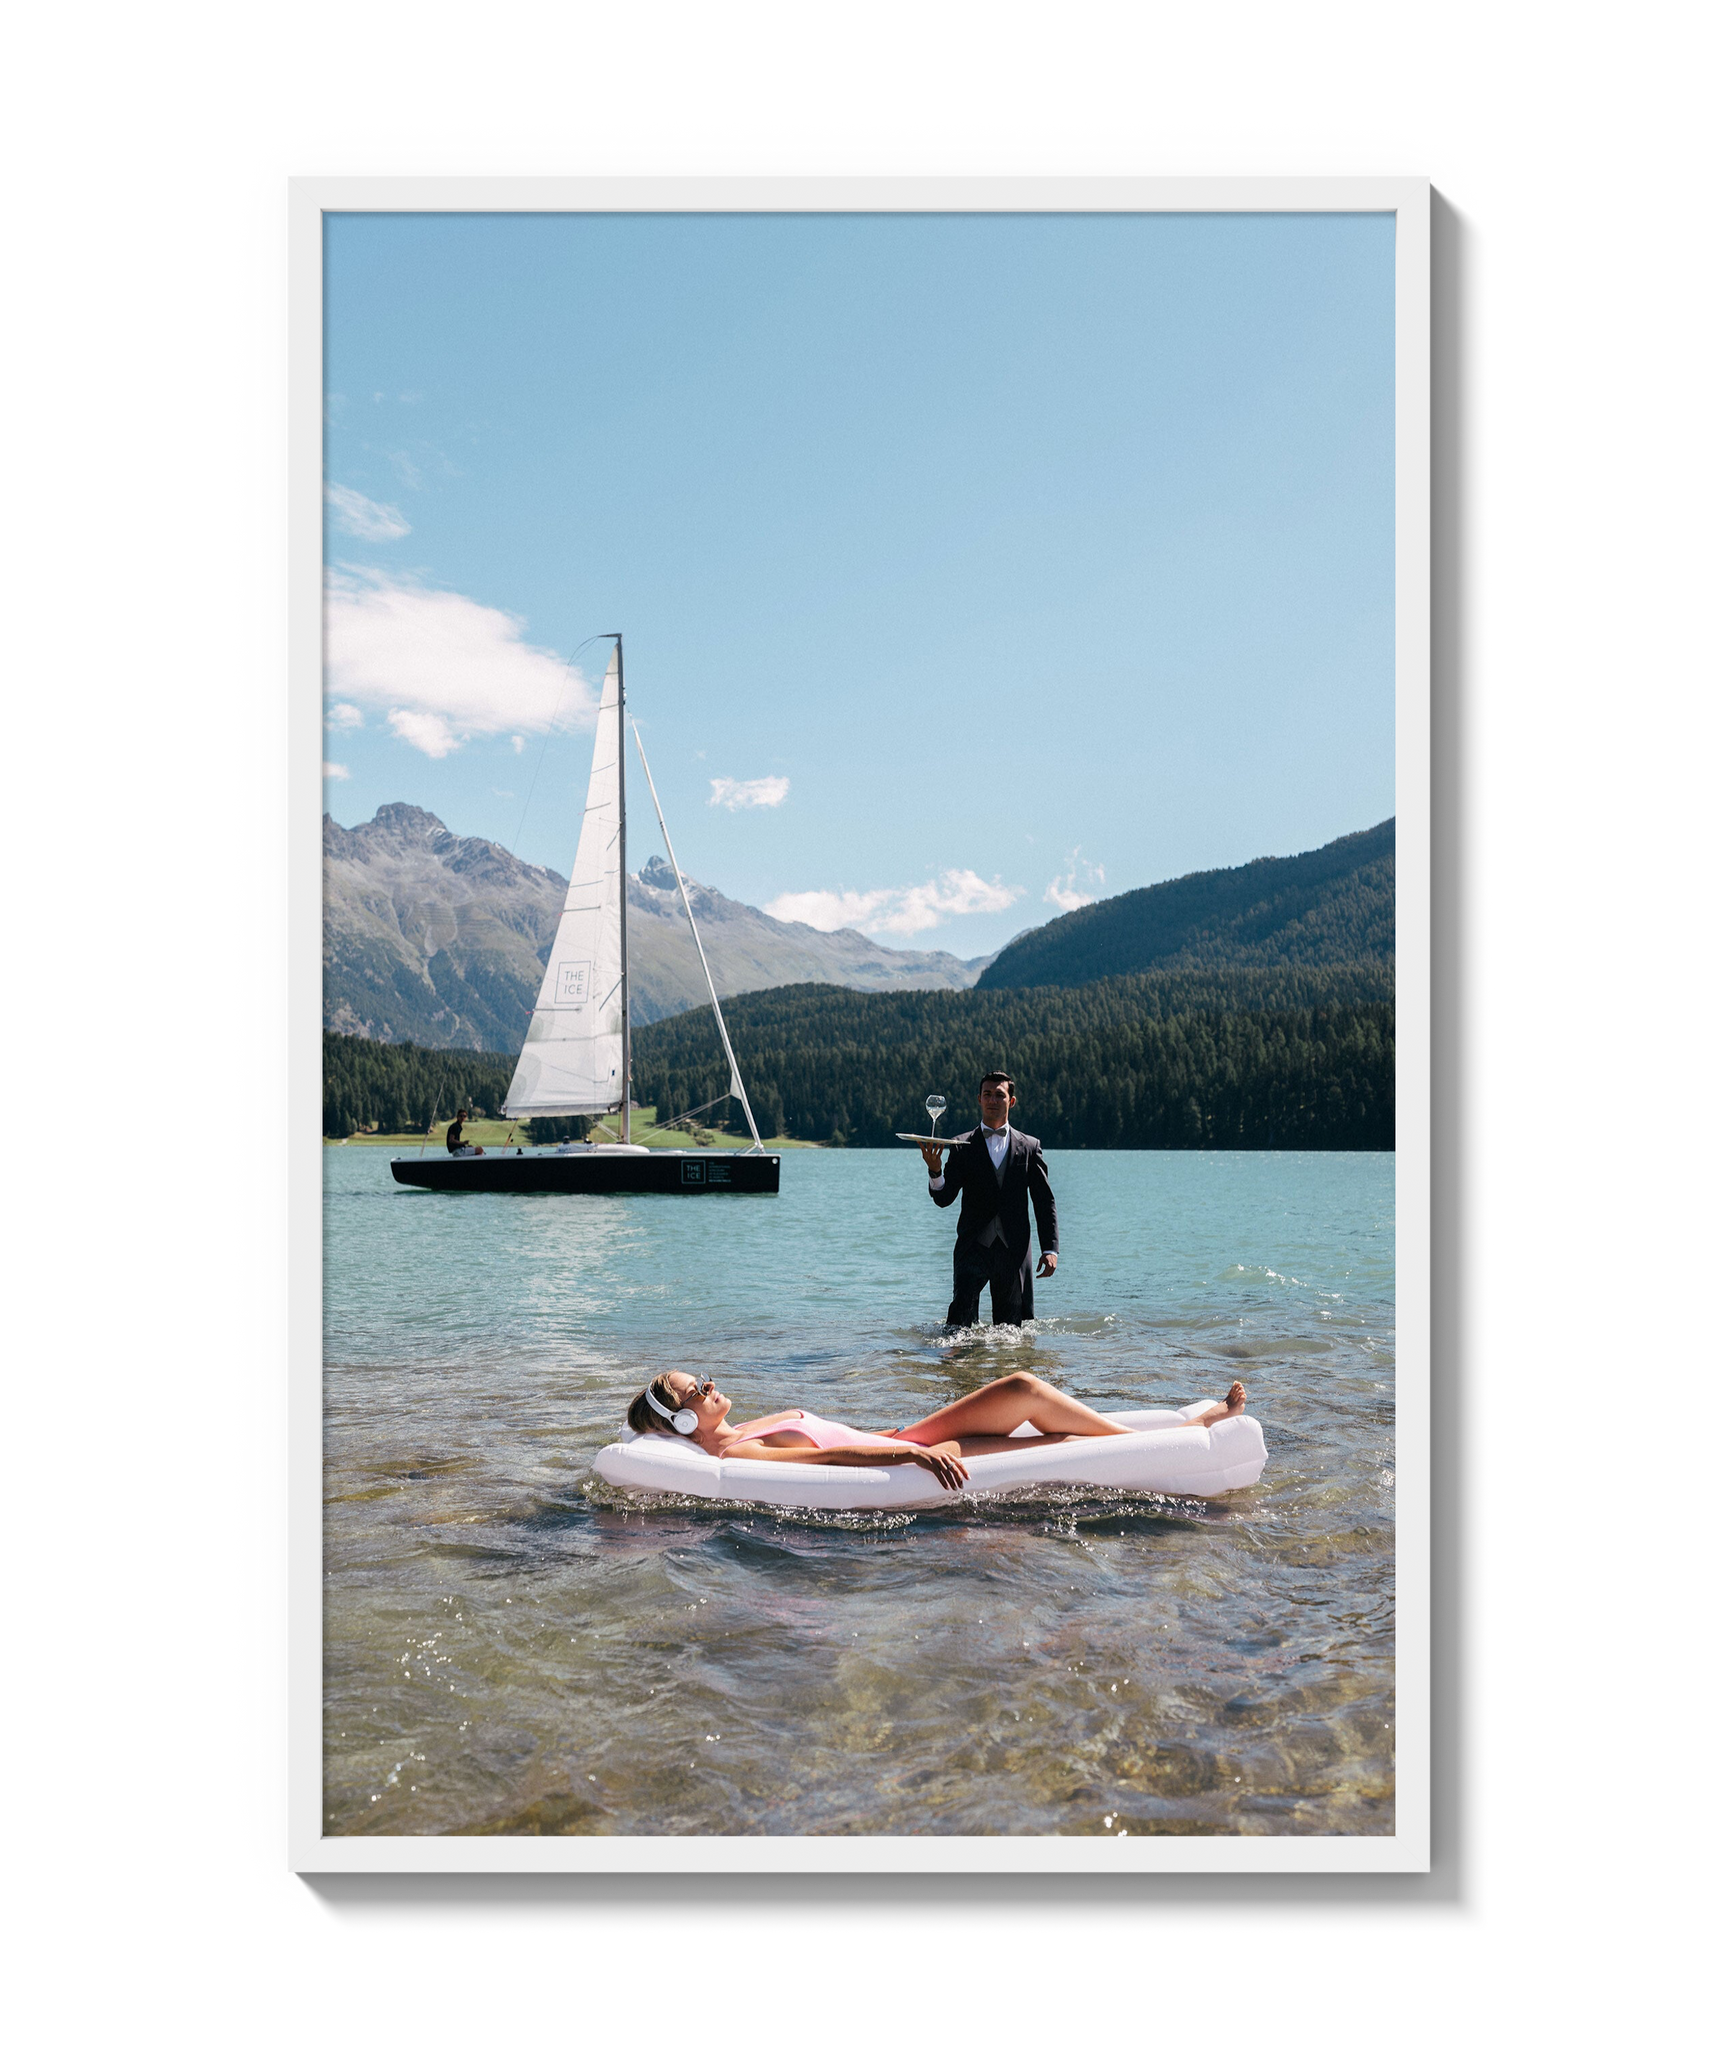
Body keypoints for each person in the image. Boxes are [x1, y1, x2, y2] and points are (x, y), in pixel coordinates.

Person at [626, 1369, 1248, 1493]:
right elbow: (827, 1461)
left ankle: (1185, 1424)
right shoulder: (740, 1450)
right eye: (694, 1391)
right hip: (911, 1453)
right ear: (682, 1420)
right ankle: (1191, 1429)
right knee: (1029, 1401)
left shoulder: (741, 1426)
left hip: (907, 1435)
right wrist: (915, 1459)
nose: (709, 1384)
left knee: (1028, 1398)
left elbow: (830, 1433)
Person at [918, 1070, 1056, 1327]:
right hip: (972, 1248)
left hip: (1013, 1249)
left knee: (1012, 1332)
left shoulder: (1029, 1146)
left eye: (999, 1095)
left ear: (1011, 1101)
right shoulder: (960, 1145)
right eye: (987, 1095)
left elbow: (1044, 1201)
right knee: (958, 1328)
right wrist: (935, 1170)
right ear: (979, 1099)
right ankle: (960, 1368)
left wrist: (1050, 1249)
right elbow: (944, 1198)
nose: (993, 1100)